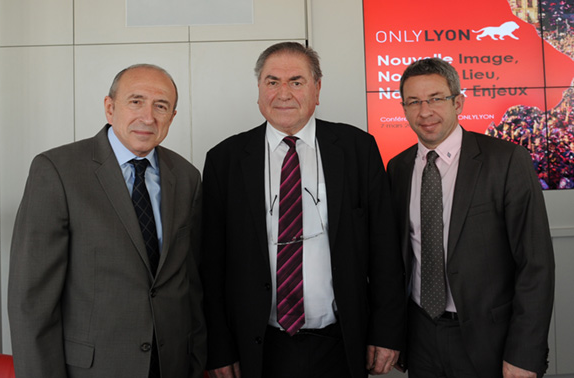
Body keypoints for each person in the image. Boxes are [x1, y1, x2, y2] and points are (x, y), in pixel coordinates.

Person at [201, 41, 405, 378]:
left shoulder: (357, 149)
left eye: (296, 81)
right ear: (258, 90)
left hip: (340, 342)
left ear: (317, 89)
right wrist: (219, 349)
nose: (283, 93)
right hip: (258, 347)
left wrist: (386, 332)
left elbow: (384, 250)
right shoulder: (225, 160)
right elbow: (211, 265)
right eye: (272, 81)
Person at [8, 64, 205, 378]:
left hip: (170, 365)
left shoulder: (186, 177)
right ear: (110, 108)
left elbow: (189, 285)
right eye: (136, 101)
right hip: (92, 368)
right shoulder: (57, 171)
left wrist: (195, 363)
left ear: (172, 117)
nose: (148, 116)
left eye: (161, 106)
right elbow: (32, 302)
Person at [387, 57, 555, 378]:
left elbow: (536, 265)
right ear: (404, 108)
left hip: (489, 340)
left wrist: (524, 353)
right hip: (420, 335)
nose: (425, 111)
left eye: (436, 98)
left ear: (458, 101)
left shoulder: (505, 161)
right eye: (414, 102)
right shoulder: (398, 168)